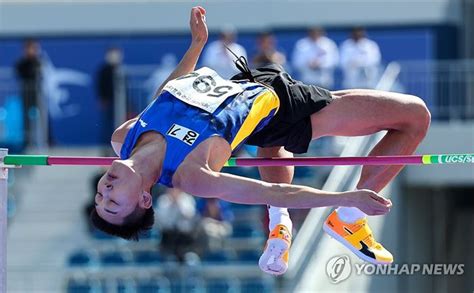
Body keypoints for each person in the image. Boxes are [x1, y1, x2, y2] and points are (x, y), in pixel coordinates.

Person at [90, 7, 431, 276]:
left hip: (252, 83)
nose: (105, 191)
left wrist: (195, 46)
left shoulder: (123, 138)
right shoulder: (189, 175)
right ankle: (349, 217)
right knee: (414, 116)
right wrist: (345, 196)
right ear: (145, 199)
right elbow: (271, 191)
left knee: (274, 154)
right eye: (113, 203)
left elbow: (165, 96)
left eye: (100, 196)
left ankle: (280, 225)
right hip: (285, 110)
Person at [155, 188, 197, 262]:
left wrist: (178, 203)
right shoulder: (163, 200)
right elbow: (163, 221)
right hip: (168, 236)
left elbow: (190, 215)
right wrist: (171, 205)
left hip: (184, 236)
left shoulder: (187, 199)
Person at [96, 47, 127, 145]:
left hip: (121, 104)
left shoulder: (121, 70)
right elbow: (100, 85)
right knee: (108, 126)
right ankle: (106, 146)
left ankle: (120, 146)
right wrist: (102, 99)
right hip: (109, 102)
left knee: (121, 125)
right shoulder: (104, 70)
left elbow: (125, 88)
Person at [15, 39, 43, 146]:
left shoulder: (38, 62)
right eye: (29, 48)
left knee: (42, 117)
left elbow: (39, 75)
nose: (32, 51)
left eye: (34, 48)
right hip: (26, 94)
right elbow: (20, 72)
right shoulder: (22, 63)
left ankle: (45, 139)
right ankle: (27, 140)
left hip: (37, 94)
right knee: (26, 118)